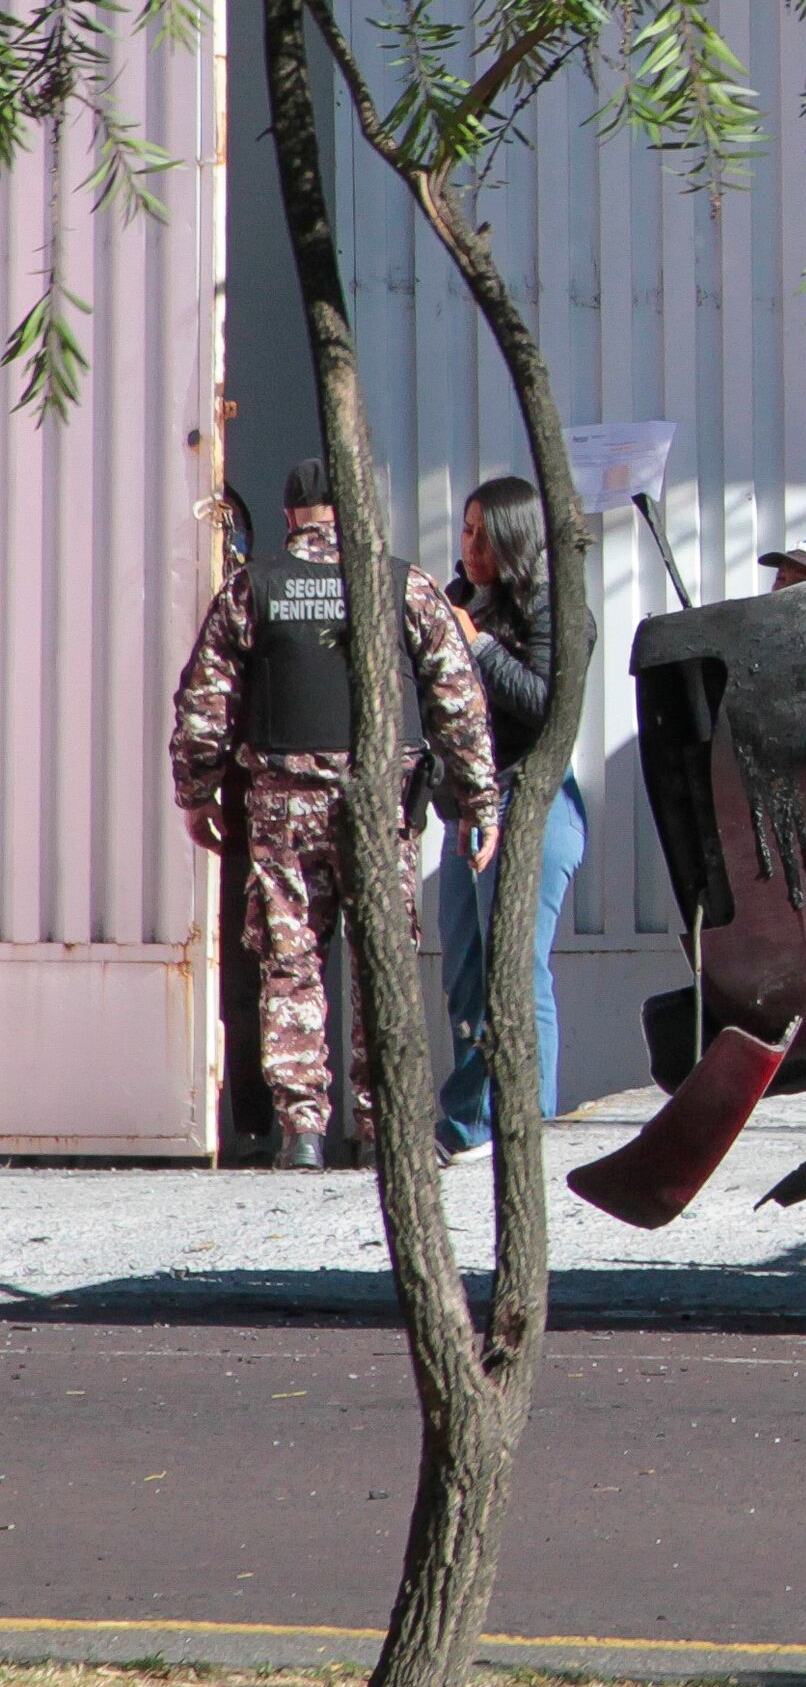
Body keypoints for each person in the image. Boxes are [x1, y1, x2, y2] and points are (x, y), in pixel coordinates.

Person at [170, 458, 497, 1167]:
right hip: (380, 805)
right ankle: (385, 1130)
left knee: (291, 962)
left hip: (284, 809)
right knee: (381, 960)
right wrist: (478, 801)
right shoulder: (400, 583)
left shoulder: (252, 588)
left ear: (290, 518)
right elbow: (457, 696)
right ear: (347, 512)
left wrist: (196, 793)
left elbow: (205, 704)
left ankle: (304, 1134)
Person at [434, 474, 587, 1164]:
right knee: (466, 969)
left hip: (531, 803)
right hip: (469, 805)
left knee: (517, 969)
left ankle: (530, 1122)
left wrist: (479, 646)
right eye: (464, 530)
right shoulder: (465, 601)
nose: (469, 546)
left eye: (482, 533)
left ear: (514, 537)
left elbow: (544, 701)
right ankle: (470, 1122)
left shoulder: (555, 607)